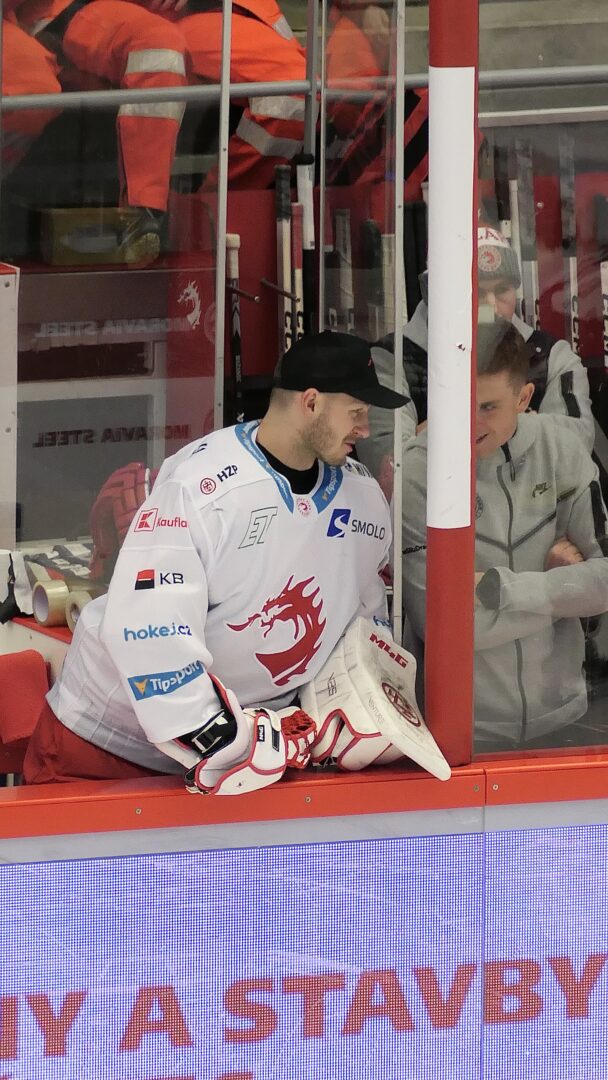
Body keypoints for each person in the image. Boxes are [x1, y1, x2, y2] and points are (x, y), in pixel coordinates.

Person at [23, 330, 409, 787]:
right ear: (311, 403)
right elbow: (150, 629)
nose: (365, 429)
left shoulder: (363, 499)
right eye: (357, 411)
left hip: (255, 749)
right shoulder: (201, 486)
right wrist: (219, 737)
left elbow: (363, 622)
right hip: (112, 744)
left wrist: (350, 709)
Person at [400, 319, 608, 752]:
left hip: (564, 716)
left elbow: (605, 580)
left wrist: (502, 590)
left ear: (524, 397)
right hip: (463, 728)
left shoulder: (562, 449)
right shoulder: (419, 469)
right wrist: (561, 593)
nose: (469, 422)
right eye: (460, 403)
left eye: (488, 407)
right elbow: (442, 629)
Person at [357, 224, 595, 487]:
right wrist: (521, 428)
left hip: (535, 513)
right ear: (437, 294)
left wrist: (436, 434)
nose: (491, 305)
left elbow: (574, 452)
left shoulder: (552, 358)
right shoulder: (389, 360)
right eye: (476, 291)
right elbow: (394, 471)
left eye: (502, 290)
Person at [10, 0, 189, 264]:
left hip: (123, 11)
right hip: (41, 12)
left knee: (159, 46)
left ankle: (143, 214)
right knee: (28, 85)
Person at [149, 0, 307, 190]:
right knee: (295, 92)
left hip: (244, 14)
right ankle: (220, 199)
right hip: (175, 18)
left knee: (315, 93)